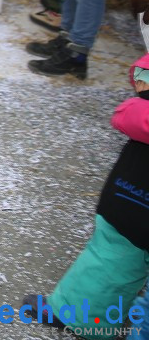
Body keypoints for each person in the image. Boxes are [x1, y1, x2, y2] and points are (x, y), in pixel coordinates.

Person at [22, 53, 149, 336]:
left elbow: (133, 113)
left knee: (116, 251)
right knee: (115, 251)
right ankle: (81, 316)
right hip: (137, 188)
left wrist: (139, 95)